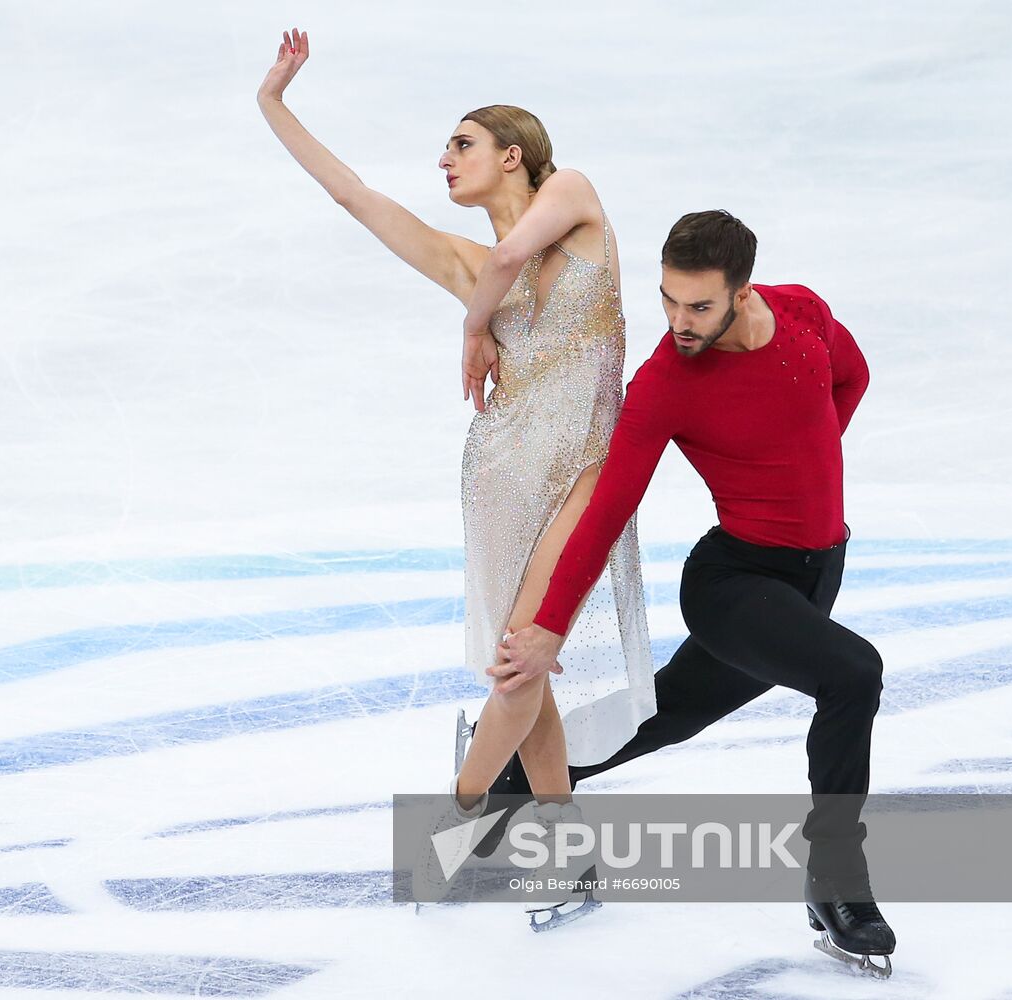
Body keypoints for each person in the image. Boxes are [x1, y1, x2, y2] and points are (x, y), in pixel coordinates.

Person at [257, 28, 655, 926]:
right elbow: (355, 196)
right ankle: (570, 851)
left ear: (512, 155)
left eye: (461, 145)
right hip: (500, 478)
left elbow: (515, 261)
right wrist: (273, 102)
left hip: (591, 471)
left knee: (519, 662)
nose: (443, 160)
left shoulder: (574, 197)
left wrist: (474, 327)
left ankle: (461, 809)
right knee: (530, 668)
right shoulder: (464, 259)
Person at [489, 209, 896, 972]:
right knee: (852, 675)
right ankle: (834, 877)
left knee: (671, 712)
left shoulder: (801, 313)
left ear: (741, 293)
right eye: (668, 300)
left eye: (698, 306)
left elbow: (852, 374)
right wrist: (548, 628)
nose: (679, 321)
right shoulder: (666, 382)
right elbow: (610, 504)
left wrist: (805, 462)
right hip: (733, 583)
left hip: (816, 574)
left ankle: (517, 779)